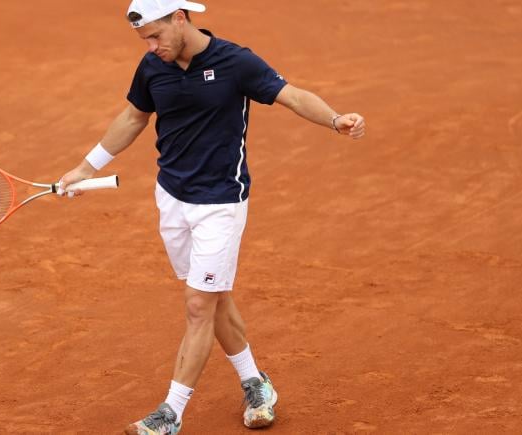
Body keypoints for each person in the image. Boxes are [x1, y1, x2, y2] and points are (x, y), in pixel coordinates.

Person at [58, 0, 366, 433]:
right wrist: (86, 168)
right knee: (213, 296)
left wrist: (335, 119)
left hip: (221, 201)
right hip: (171, 199)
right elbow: (133, 117)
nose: (150, 47)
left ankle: (171, 413)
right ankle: (255, 382)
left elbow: (291, 95)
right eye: (143, 39)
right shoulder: (152, 67)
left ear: (180, 18)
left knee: (199, 304)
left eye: (155, 36)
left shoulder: (235, 61)